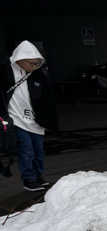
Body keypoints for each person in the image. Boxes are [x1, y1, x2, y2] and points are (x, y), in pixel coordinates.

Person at [0, 41, 58, 192]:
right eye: (32, 63)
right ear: (20, 59)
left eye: (37, 63)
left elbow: (47, 98)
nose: (35, 66)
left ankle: (39, 177)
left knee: (38, 150)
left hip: (35, 121)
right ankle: (29, 180)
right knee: (26, 150)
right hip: (17, 119)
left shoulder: (38, 74)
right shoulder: (5, 72)